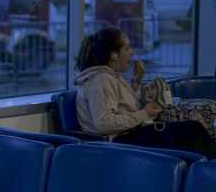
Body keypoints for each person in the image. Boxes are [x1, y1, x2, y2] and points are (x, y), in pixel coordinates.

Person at [74, 27, 216, 155]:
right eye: (127, 48)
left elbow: (123, 107)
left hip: (128, 134)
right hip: (119, 142)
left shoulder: (110, 77)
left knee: (191, 129)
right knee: (192, 130)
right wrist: (145, 113)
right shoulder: (101, 80)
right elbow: (104, 124)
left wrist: (136, 83)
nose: (131, 53)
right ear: (114, 55)